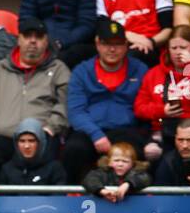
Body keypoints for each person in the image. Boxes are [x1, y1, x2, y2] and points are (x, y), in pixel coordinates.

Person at [0, 15, 70, 179]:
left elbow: (66, 103)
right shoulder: (0, 68)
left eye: (39, 37)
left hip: (40, 137)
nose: (33, 41)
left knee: (53, 158)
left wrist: (50, 128)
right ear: (19, 39)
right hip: (3, 135)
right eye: (27, 36)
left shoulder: (59, 69)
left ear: (46, 41)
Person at [62, 18, 151, 182]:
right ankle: (73, 197)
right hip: (89, 130)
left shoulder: (140, 69)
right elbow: (76, 112)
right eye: (106, 43)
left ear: (126, 45)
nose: (112, 49)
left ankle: (133, 197)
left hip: (127, 129)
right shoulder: (82, 71)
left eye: (117, 44)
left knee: (139, 151)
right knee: (74, 150)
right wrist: (96, 135)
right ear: (97, 44)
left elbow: (147, 104)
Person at [134, 23, 190, 152]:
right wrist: (162, 110)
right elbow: (139, 108)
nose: (178, 52)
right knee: (151, 152)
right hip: (164, 128)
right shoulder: (154, 73)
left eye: (183, 47)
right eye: (174, 48)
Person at [0, 116, 66, 185]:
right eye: (22, 141)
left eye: (31, 141)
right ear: (16, 144)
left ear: (41, 143)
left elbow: (58, 195)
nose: (27, 146)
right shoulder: (7, 169)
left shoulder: (54, 169)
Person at [82, 139, 151, 201]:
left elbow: (145, 178)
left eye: (125, 161)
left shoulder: (137, 172)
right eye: (116, 160)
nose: (120, 164)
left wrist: (127, 184)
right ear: (109, 162)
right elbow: (89, 179)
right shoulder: (103, 172)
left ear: (132, 164)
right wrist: (102, 191)